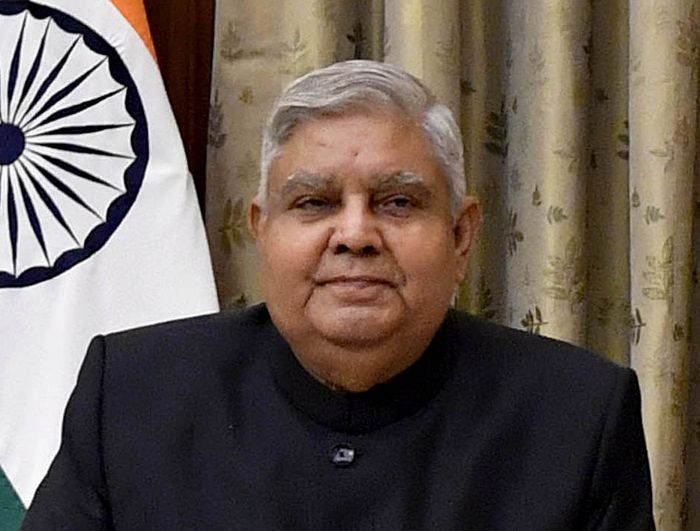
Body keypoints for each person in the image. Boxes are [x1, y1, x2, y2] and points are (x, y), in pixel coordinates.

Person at [23, 60, 654, 530]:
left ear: (462, 235)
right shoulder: (133, 395)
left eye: (398, 202)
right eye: (314, 203)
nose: (354, 234)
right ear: (261, 230)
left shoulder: (578, 417)